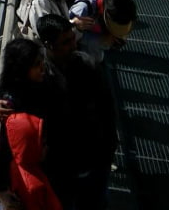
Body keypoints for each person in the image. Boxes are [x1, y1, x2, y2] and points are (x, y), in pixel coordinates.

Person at [36, 14, 117, 210]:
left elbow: (107, 109)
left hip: (94, 160)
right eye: (65, 42)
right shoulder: (39, 75)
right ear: (48, 45)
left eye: (73, 39)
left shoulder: (87, 64)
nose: (73, 45)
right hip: (60, 168)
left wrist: (108, 150)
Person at [0, 38, 69, 210]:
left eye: (41, 62)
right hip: (32, 176)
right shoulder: (11, 103)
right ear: (21, 69)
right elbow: (6, 148)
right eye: (36, 65)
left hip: (53, 164)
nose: (42, 68)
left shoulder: (46, 84)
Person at [68, 0, 137, 64]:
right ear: (107, 16)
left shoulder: (114, 3)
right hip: (78, 41)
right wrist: (101, 40)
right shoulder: (82, 10)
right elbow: (67, 34)